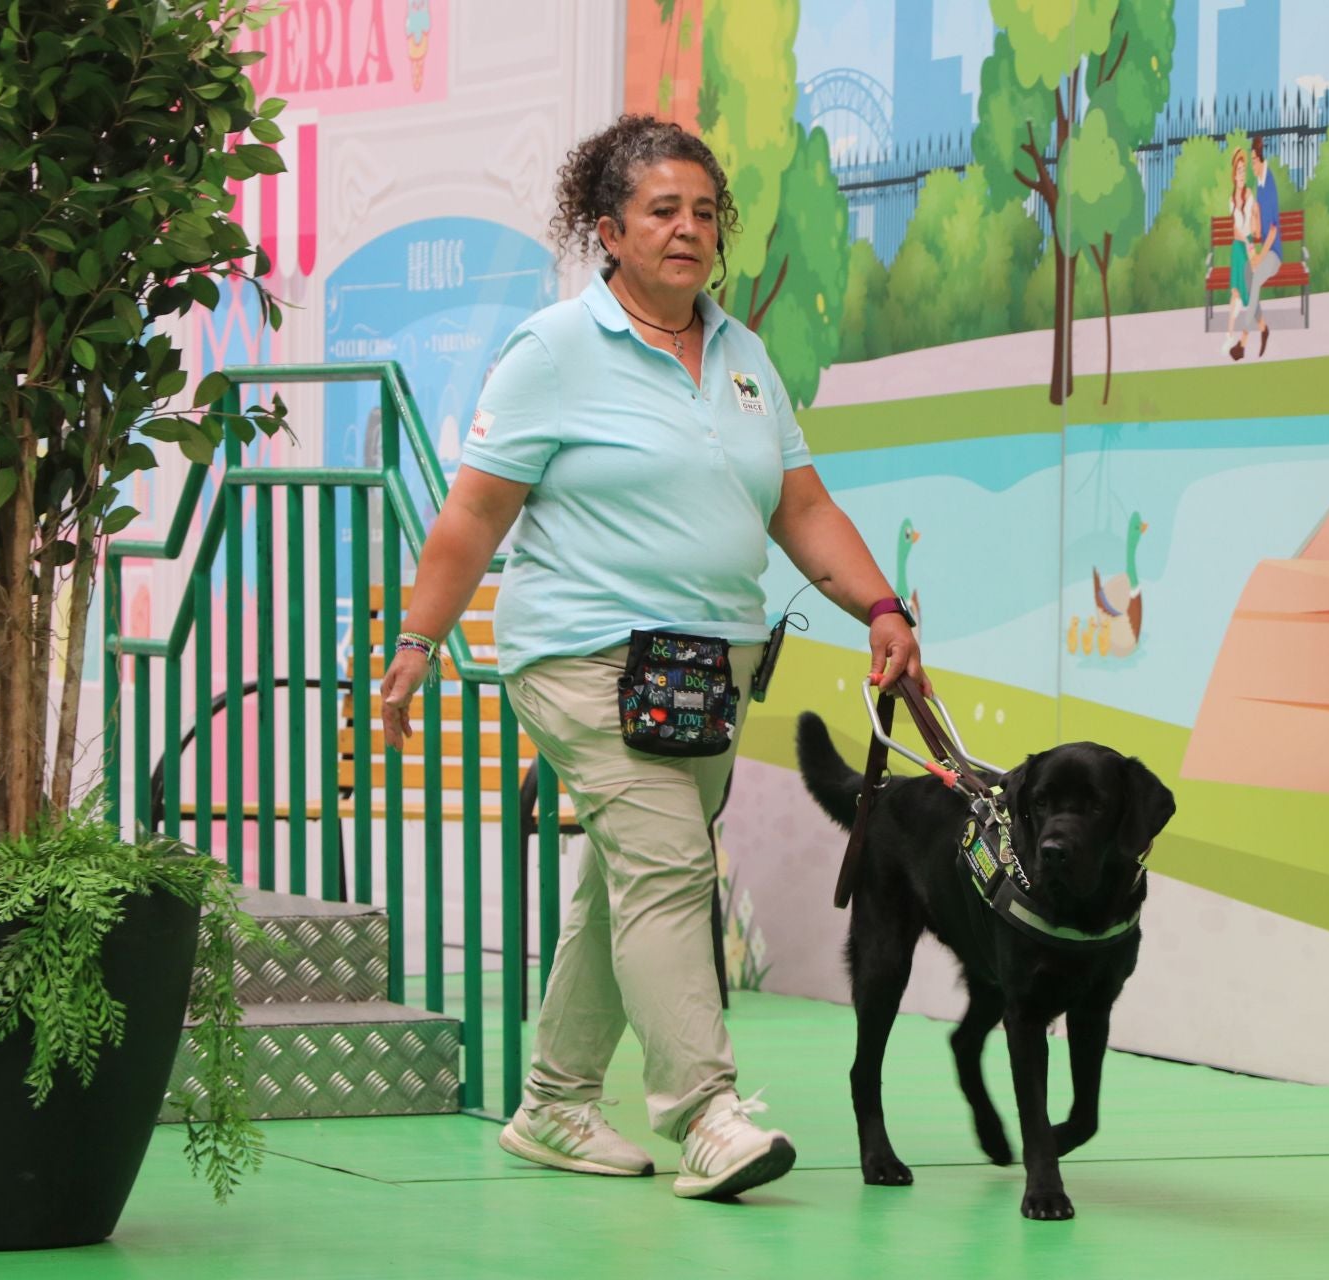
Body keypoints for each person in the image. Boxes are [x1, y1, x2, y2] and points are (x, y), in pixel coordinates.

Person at [378, 114, 928, 1202]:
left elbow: (800, 504)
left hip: (702, 673)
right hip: (582, 653)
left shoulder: (742, 353)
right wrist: (417, 637)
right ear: (609, 231)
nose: (688, 229)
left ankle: (553, 1101)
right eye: (662, 211)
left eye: (705, 212)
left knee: (631, 881)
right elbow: (475, 510)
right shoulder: (555, 351)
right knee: (671, 865)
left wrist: (879, 603)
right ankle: (704, 1112)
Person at [1241, 135, 1282, 360]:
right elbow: (1261, 231)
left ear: (1259, 160)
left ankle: (1244, 337)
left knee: (1255, 277)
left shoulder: (1270, 184)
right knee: (1248, 274)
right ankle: (1263, 327)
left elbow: (1274, 231)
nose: (1251, 167)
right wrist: (1255, 218)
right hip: (1264, 249)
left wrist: (1260, 257)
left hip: (1274, 254)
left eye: (1253, 162)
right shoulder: (1259, 184)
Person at [1222, 147, 1257, 362]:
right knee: (1235, 293)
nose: (1242, 174)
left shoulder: (1249, 195)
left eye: (1245, 170)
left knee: (1249, 295)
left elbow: (1251, 226)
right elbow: (1236, 230)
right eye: (1239, 171)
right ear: (1234, 175)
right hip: (1238, 247)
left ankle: (1243, 340)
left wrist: (1249, 243)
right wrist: (1244, 241)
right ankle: (1229, 335)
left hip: (1248, 246)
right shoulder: (1231, 199)